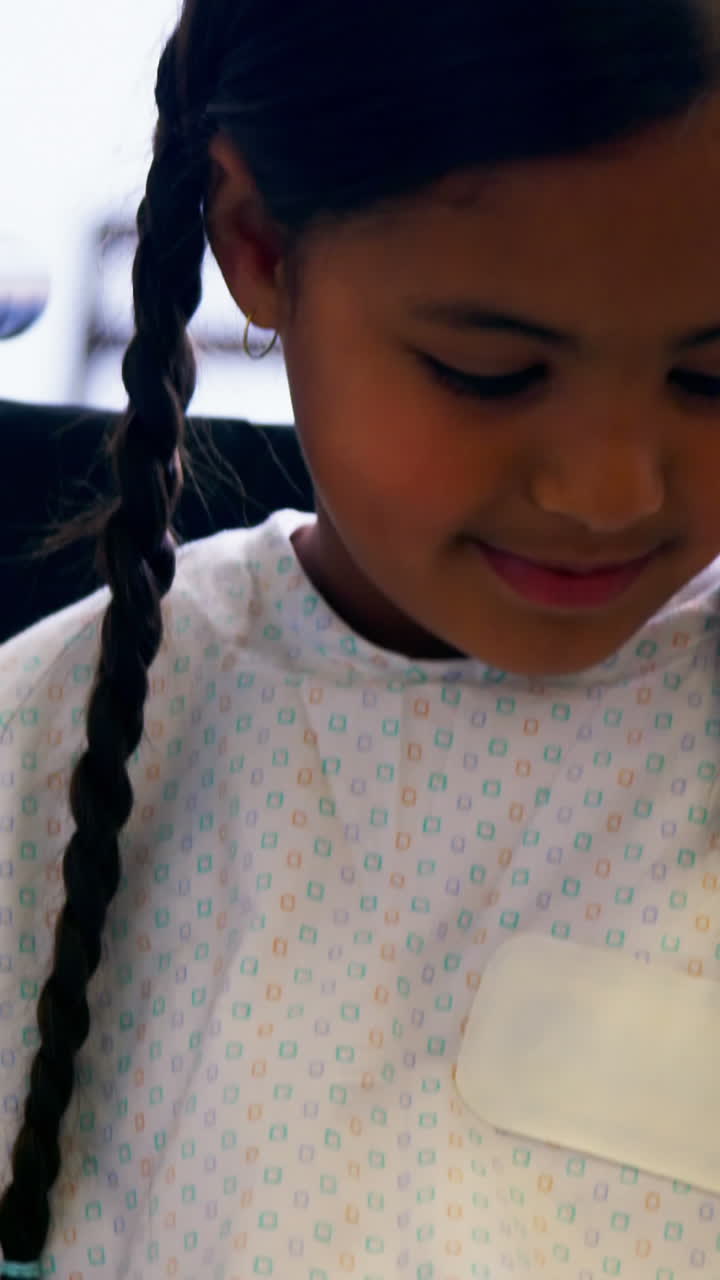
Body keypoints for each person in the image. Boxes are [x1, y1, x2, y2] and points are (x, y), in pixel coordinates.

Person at [2, 0, 720, 1275]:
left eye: (713, 378)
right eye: (489, 371)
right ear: (258, 244)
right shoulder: (48, 747)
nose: (610, 490)